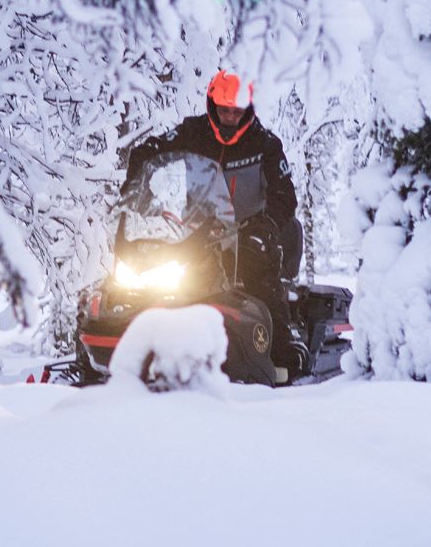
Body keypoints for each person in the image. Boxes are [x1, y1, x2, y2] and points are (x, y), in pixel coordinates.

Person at [125, 70, 305, 363]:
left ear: (247, 110)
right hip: (199, 235)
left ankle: (282, 353)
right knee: (163, 287)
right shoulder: (194, 132)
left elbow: (286, 196)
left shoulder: (266, 145)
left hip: (250, 237)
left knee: (260, 280)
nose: (230, 118)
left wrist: (266, 226)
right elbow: (151, 150)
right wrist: (137, 178)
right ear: (212, 106)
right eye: (224, 111)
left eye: (236, 112)